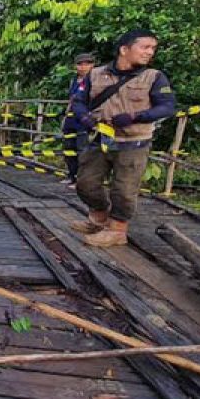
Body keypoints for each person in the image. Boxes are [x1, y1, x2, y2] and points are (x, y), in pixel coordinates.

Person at [71, 30, 176, 247]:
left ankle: (117, 231)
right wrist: (85, 118)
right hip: (99, 138)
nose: (150, 52)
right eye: (145, 47)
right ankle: (99, 219)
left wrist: (136, 117)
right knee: (85, 183)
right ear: (124, 49)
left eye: (153, 48)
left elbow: (167, 107)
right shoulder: (96, 74)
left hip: (133, 142)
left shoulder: (154, 77)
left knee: (124, 189)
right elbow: (78, 101)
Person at [62, 52, 96, 188]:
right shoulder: (74, 81)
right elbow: (71, 100)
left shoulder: (94, 81)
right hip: (71, 119)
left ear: (92, 65)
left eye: (87, 64)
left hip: (84, 120)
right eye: (80, 64)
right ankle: (72, 175)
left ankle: (82, 180)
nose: (83, 67)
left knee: (83, 150)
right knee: (69, 148)